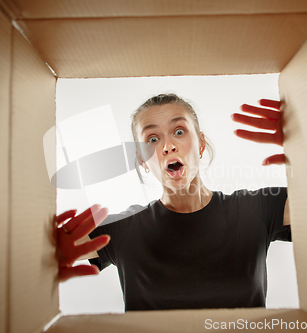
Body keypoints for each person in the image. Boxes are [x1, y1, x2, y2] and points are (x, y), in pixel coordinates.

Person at [54, 94, 290, 311]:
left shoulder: (255, 209)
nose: (168, 146)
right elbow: (37, 251)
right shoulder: (125, 228)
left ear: (201, 144)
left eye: (179, 131)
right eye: (153, 139)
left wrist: (303, 145)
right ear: (142, 160)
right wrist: (49, 250)